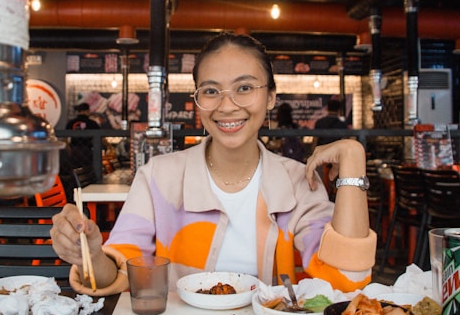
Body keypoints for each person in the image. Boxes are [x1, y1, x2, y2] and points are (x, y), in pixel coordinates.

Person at [50, 33, 376, 296]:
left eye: (245, 88)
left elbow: (347, 278)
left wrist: (352, 160)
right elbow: (116, 271)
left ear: (272, 97)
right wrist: (90, 255)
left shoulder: (298, 182)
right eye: (211, 91)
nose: (227, 105)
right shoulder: (159, 178)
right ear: (198, 100)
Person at [65, 102, 100, 167]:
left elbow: (65, 139)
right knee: (88, 171)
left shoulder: (71, 123)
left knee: (75, 169)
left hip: (74, 151)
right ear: (87, 111)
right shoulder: (92, 123)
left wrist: (69, 150)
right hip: (87, 151)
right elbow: (101, 138)